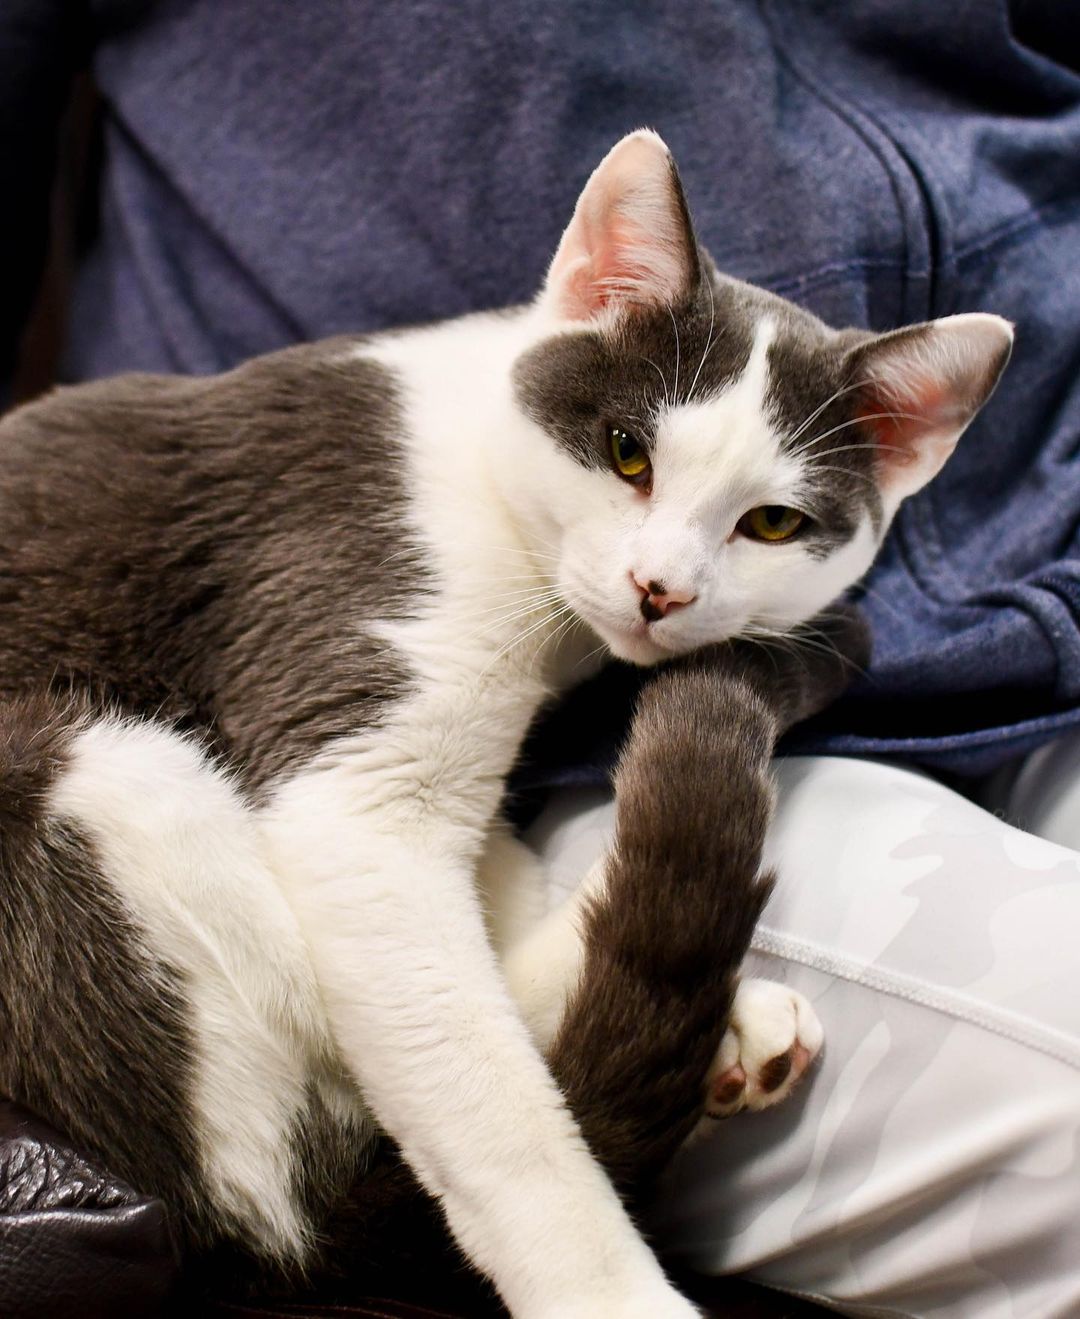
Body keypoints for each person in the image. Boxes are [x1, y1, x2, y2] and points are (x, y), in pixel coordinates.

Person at [3, 2, 1079, 1314]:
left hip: (1031, 635)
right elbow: (370, 837)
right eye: (630, 464)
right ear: (586, 290)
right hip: (91, 920)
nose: (662, 577)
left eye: (768, 525)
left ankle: (578, 993)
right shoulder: (409, 477)